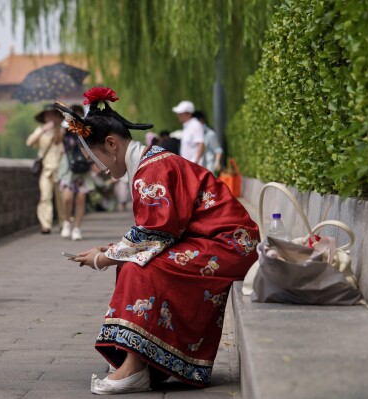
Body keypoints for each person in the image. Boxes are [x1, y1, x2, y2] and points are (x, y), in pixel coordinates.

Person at [55, 86, 259, 394]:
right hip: (214, 241)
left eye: (94, 157)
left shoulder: (153, 169)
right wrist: (111, 251)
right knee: (132, 266)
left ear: (111, 144)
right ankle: (141, 359)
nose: (97, 168)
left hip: (229, 244)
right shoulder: (149, 164)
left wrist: (106, 256)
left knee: (140, 269)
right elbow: (157, 230)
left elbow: (155, 232)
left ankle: (136, 365)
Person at [26, 104, 65, 234]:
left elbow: (61, 143)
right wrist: (43, 130)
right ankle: (46, 224)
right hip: (46, 169)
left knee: (61, 199)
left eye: (52, 114)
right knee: (45, 196)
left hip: (60, 169)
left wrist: (58, 127)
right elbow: (30, 143)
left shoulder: (62, 131)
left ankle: (63, 222)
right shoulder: (40, 130)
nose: (49, 117)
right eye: (47, 115)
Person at [59, 104, 95, 241]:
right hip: (68, 167)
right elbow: (57, 141)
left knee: (80, 198)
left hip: (83, 168)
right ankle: (67, 221)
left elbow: (91, 148)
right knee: (67, 197)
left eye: (77, 114)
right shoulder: (64, 129)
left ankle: (77, 228)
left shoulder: (86, 131)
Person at [172, 100, 204, 164]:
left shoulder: (195, 125)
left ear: (189, 114)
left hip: (194, 166)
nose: (178, 116)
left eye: (181, 114)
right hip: (188, 165)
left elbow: (201, 144)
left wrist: (195, 162)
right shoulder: (187, 126)